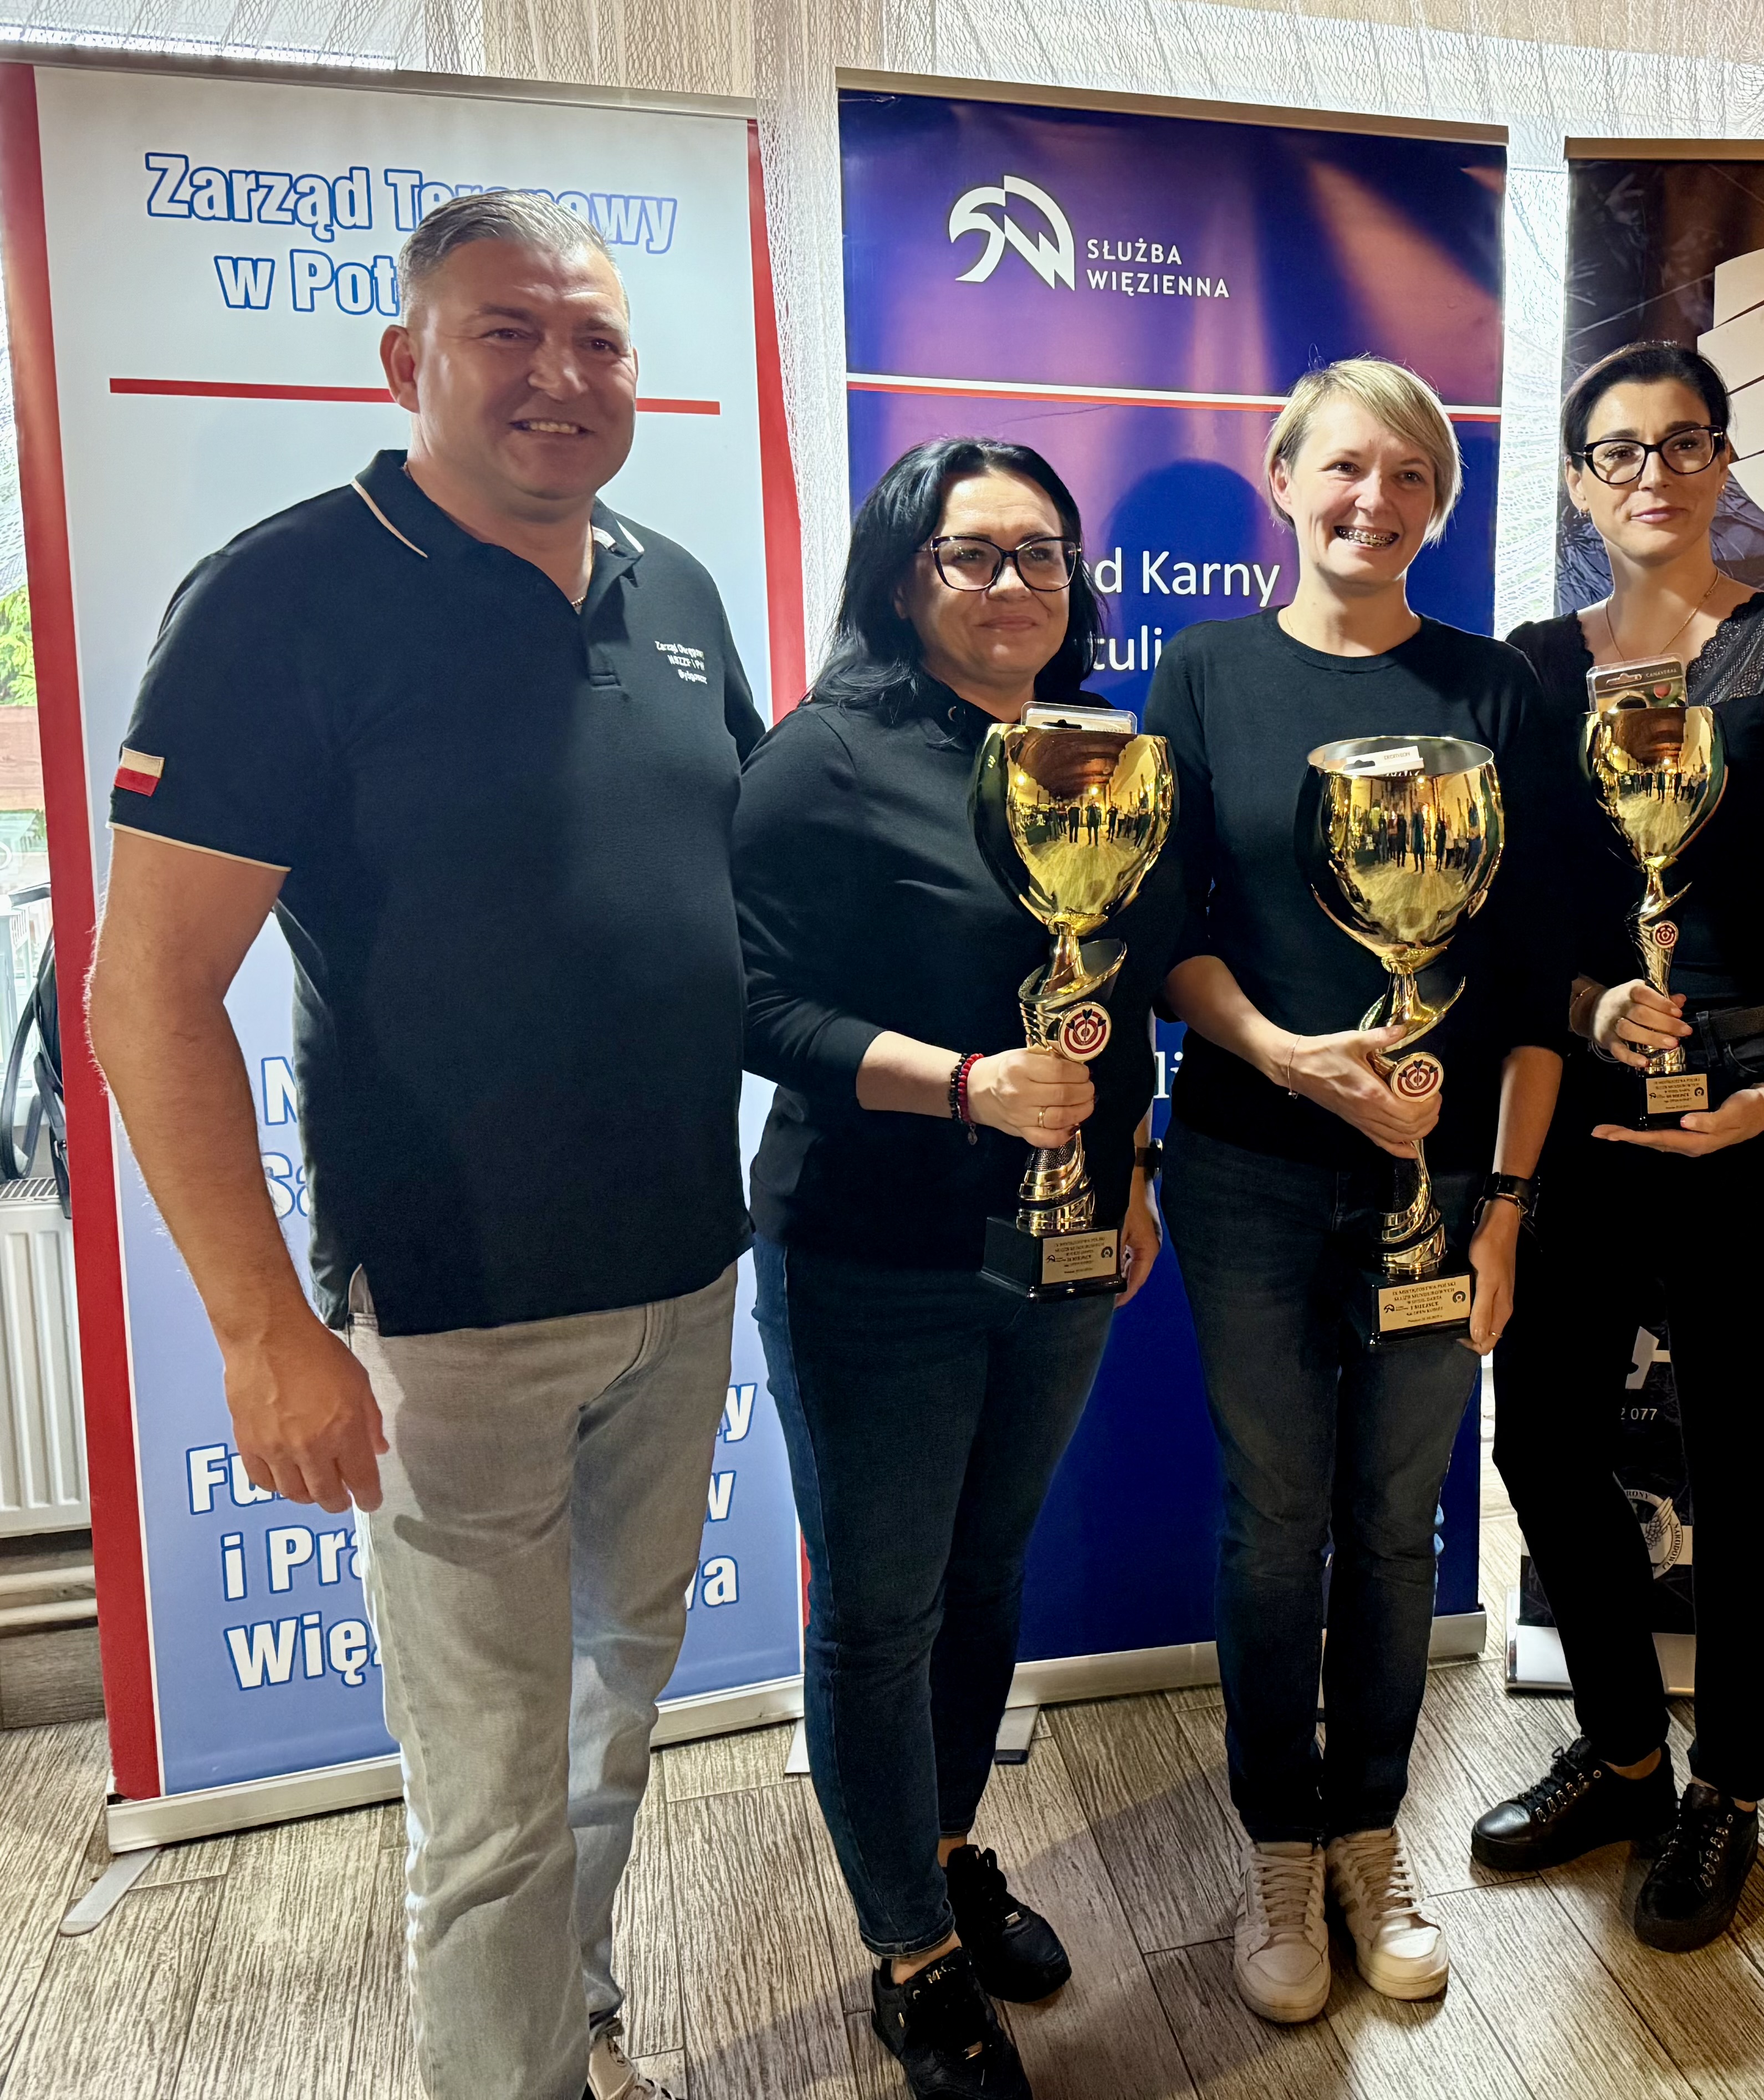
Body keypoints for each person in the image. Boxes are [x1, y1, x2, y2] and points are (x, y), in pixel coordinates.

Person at [86, 194, 760, 2100]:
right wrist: (262, 1331)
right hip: (454, 1312)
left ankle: (576, 2019)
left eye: (596, 340)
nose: (560, 376)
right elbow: (147, 994)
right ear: (408, 361)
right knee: (489, 1804)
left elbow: (733, 896)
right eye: (506, 333)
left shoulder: (674, 586)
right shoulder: (284, 598)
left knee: (613, 1719)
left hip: (682, 1279)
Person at [735, 437, 1178, 2100]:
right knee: (878, 1611)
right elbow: (754, 1004)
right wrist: (963, 1083)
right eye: (970, 553)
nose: (1011, 584)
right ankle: (912, 1959)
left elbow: (1119, 990)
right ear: (902, 572)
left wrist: (1130, 1169)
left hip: (1057, 1245)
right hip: (875, 1253)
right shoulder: (824, 758)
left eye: (1040, 553)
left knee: (986, 1577)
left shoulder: (1096, 751)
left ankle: (942, 1846)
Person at [1468, 341, 1764, 1948]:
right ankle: (1621, 1755)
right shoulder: (1529, 671)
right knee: (1540, 1442)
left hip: (1758, 1126)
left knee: (1739, 1463)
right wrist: (1590, 1007)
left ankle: (1729, 1789)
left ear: (1724, 463)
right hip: (1581, 1111)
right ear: (1577, 484)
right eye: (1618, 450)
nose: (1651, 473)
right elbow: (1504, 926)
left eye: (1682, 443)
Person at [1149, 357, 1569, 2023]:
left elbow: (1532, 979)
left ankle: (1369, 1835)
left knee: (1400, 1527)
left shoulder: (1493, 689)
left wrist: (1507, 1205)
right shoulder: (1203, 674)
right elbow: (1159, 931)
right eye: (1342, 468)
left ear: (1439, 506)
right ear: (1282, 479)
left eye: (1408, 477)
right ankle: (1277, 1845)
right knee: (1275, 1526)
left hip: (1441, 1187)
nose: (1371, 502)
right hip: (1249, 1171)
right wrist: (1278, 1052)